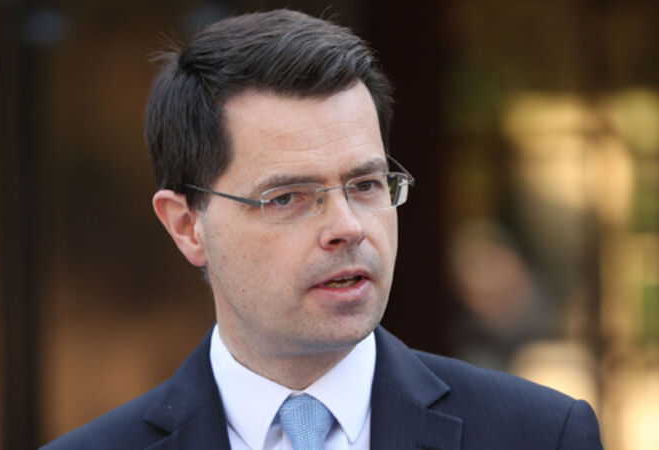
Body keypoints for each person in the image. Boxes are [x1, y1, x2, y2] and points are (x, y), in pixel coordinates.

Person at [42, 9, 603, 450]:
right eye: (288, 198)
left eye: (366, 185)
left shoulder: (540, 435)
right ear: (188, 226)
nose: (348, 227)